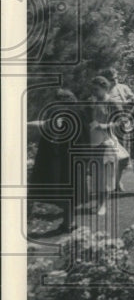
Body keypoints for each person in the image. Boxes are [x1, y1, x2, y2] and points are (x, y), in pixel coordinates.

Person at [26, 89, 80, 235]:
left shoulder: (61, 114)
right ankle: (70, 223)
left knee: (63, 191)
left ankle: (68, 224)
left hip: (60, 158)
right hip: (71, 157)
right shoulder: (74, 113)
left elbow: (46, 125)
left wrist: (25, 124)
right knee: (69, 191)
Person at [84, 76, 118, 217]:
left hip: (106, 141)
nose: (94, 92)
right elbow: (86, 119)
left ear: (105, 88)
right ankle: (98, 202)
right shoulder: (91, 102)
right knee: (95, 174)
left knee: (104, 175)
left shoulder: (111, 102)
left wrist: (104, 126)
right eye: (92, 89)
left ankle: (103, 204)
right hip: (92, 141)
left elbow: (121, 121)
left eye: (96, 89)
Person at [100, 67, 134, 192]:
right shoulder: (105, 92)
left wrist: (130, 102)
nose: (114, 81)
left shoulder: (123, 87)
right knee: (112, 154)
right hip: (110, 126)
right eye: (111, 79)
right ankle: (111, 182)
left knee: (124, 155)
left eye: (116, 78)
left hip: (124, 124)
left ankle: (118, 181)